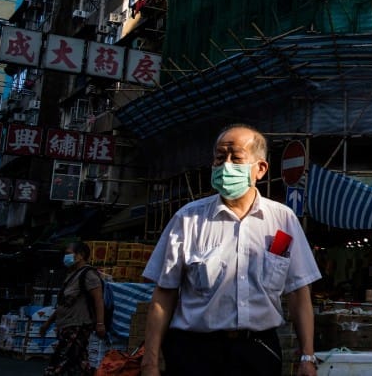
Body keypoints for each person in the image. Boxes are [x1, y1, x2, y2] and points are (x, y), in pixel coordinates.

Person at [141, 124, 321, 376]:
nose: (225, 166)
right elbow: (163, 295)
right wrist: (149, 361)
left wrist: (307, 356)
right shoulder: (188, 219)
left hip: (258, 351)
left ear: (260, 169)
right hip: (195, 352)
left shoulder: (283, 220)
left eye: (236, 158)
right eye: (219, 157)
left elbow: (299, 293)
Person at [40, 241, 107, 375]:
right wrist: (48, 323)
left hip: (78, 326)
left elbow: (98, 300)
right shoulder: (72, 275)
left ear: (80, 255)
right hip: (66, 325)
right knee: (78, 363)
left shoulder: (88, 274)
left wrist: (100, 324)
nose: (66, 257)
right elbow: (63, 304)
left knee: (61, 361)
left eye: (68, 253)